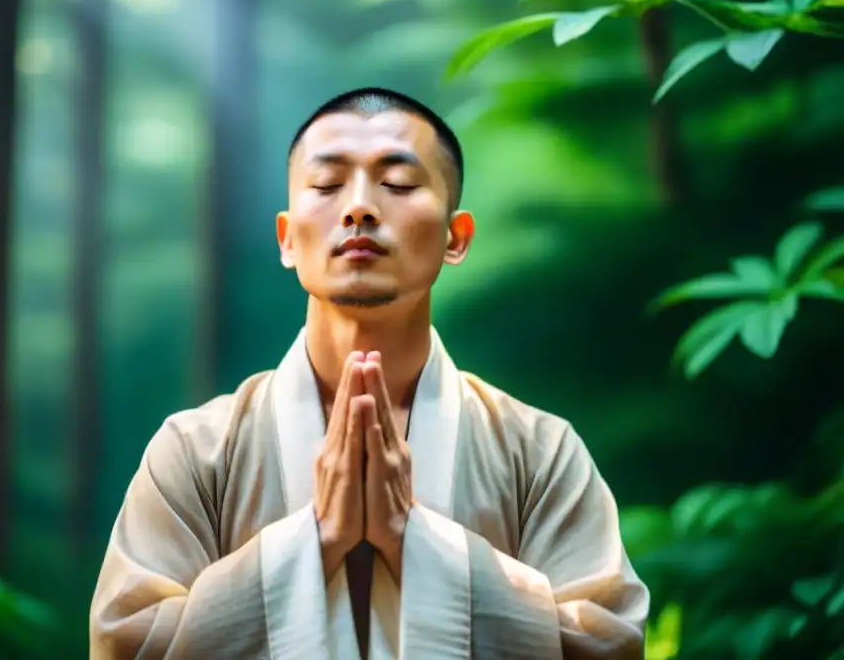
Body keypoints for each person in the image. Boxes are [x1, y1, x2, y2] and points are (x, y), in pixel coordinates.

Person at [89, 87, 649, 659]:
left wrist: (416, 540)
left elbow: (610, 640)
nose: (359, 207)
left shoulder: (539, 452)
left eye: (399, 184)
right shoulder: (196, 451)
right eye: (328, 185)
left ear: (455, 238)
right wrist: (315, 537)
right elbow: (126, 642)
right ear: (287, 238)